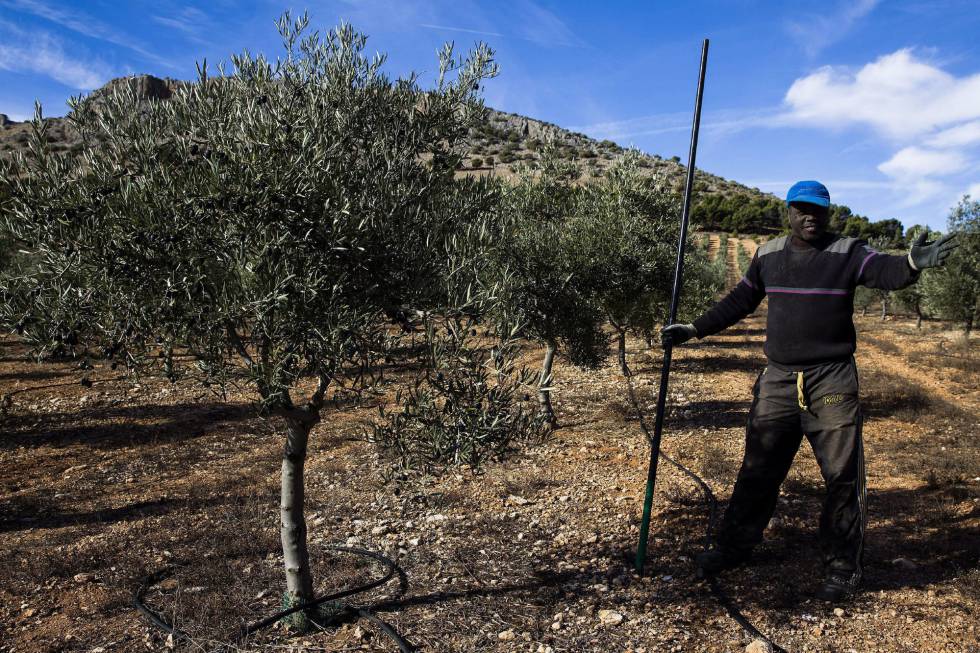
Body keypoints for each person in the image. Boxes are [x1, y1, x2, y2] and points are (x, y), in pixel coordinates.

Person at [661, 180, 958, 602]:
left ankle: (842, 566)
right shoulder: (768, 255)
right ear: (788, 211)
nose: (809, 217)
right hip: (779, 379)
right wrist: (694, 329)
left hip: (832, 378)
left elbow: (887, 272)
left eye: (817, 210)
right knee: (758, 470)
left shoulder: (848, 252)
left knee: (841, 475)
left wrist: (911, 262)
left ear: (828, 213)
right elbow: (739, 302)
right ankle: (735, 548)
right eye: (801, 209)